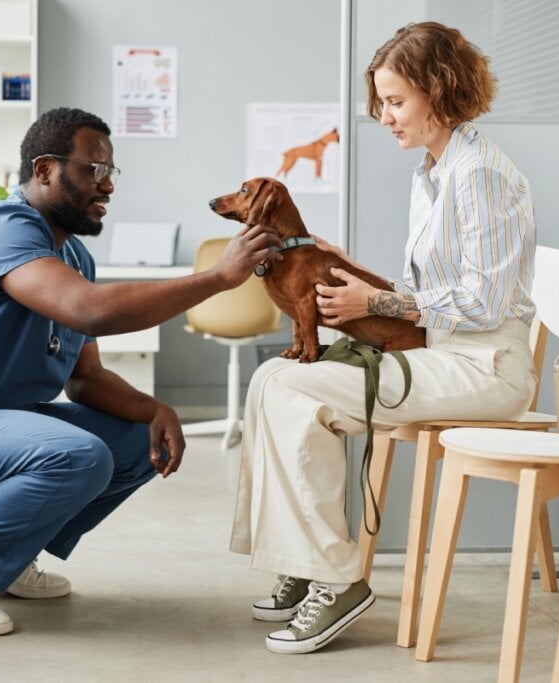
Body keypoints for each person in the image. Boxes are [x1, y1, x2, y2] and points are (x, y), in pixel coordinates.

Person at [0, 107, 280, 637]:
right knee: (75, 454)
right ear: (44, 170)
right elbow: (87, 310)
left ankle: (3, 561)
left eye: (111, 173)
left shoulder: (75, 256)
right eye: (93, 170)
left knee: (134, 440)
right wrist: (218, 278)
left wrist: (155, 410)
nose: (107, 186)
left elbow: (85, 378)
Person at [230, 22, 538, 654]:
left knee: (292, 389)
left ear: (439, 90)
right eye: (381, 103)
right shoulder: (433, 173)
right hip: (445, 351)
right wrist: (364, 277)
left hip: (486, 367)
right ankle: (306, 558)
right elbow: (442, 293)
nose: (385, 116)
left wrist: (374, 300)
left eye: (396, 102)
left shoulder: (478, 174)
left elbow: (485, 303)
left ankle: (336, 579)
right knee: (271, 375)